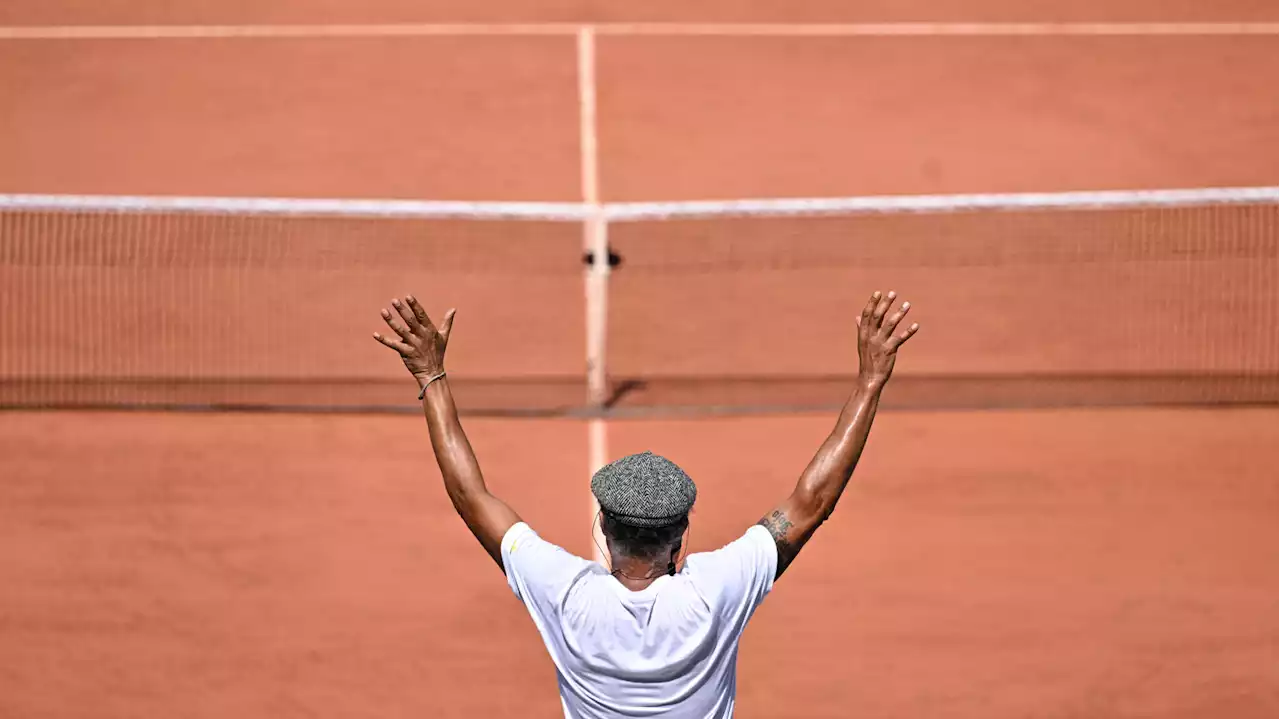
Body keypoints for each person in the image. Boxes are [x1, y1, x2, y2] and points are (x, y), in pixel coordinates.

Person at [373, 290, 919, 718]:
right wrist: (871, 381)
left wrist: (431, 376)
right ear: (680, 536)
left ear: (603, 530)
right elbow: (812, 502)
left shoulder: (565, 597)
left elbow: (470, 496)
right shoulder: (715, 593)